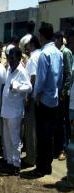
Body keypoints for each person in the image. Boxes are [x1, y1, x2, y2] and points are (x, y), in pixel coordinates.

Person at [29, 23, 63, 178]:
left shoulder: (44, 54)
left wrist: (36, 96)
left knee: (42, 135)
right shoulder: (58, 52)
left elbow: (40, 79)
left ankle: (41, 167)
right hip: (54, 99)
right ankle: (47, 166)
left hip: (43, 99)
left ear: (42, 36)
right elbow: (60, 78)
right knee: (49, 135)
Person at [1, 47, 32, 175]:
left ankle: (16, 163)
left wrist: (17, 87)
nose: (10, 60)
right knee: (7, 137)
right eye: (9, 57)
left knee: (14, 138)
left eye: (13, 58)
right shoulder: (9, 69)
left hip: (15, 111)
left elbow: (29, 87)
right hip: (6, 109)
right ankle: (9, 160)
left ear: (19, 58)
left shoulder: (21, 71)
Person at [54, 31, 73, 161]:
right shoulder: (58, 53)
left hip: (63, 94)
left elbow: (68, 74)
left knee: (64, 121)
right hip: (58, 93)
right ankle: (59, 147)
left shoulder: (65, 52)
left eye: (55, 39)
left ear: (60, 39)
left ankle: (64, 149)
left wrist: (64, 91)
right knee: (59, 121)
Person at [24, 35, 42, 167]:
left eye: (28, 45)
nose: (27, 47)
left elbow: (33, 77)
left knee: (31, 129)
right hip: (42, 97)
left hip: (33, 97)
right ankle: (34, 156)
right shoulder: (41, 54)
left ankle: (31, 158)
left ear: (32, 44)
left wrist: (29, 97)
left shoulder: (33, 57)